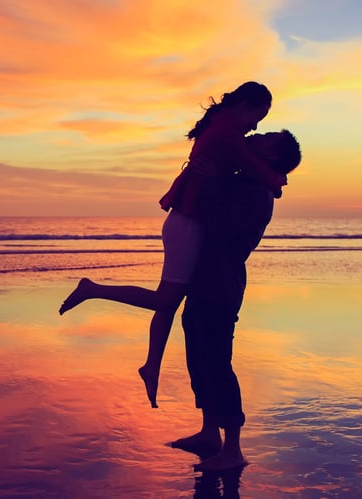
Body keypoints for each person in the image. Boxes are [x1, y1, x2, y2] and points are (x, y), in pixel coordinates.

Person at [60, 82, 285, 409]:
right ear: (245, 106)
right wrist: (279, 181)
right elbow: (258, 171)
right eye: (257, 117)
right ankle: (92, 289)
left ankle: (152, 367)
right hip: (188, 223)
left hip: (186, 219)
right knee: (165, 298)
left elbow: (246, 173)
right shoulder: (227, 134)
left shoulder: (221, 126)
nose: (255, 127)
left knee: (169, 302)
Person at [172, 130, 301, 472]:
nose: (256, 135)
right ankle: (209, 432)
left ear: (271, 156)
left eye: (266, 137)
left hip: (221, 281)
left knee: (216, 361)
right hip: (205, 276)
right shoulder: (247, 179)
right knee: (198, 356)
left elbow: (221, 227)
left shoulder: (257, 191)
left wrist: (211, 181)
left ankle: (233, 450)